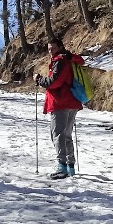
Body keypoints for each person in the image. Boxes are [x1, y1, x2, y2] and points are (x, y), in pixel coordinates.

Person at [35, 37, 85, 179]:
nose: (51, 51)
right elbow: (81, 60)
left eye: (53, 48)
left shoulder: (60, 61)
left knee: (58, 134)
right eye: (49, 49)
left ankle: (62, 167)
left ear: (60, 47)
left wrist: (39, 80)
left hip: (60, 102)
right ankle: (70, 167)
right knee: (66, 135)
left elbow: (54, 82)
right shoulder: (69, 58)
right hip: (72, 102)